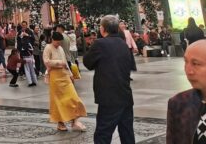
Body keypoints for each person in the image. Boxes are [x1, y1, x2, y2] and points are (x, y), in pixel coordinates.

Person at [83, 15, 136, 144]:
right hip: (125, 95)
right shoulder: (124, 45)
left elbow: (88, 63)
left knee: (103, 134)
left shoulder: (100, 44)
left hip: (109, 96)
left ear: (102, 29)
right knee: (127, 132)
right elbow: (131, 66)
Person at [43, 32, 87, 132]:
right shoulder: (48, 47)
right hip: (54, 76)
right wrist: (59, 63)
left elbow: (65, 62)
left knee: (73, 98)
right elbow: (46, 61)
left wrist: (70, 74)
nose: (58, 43)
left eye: (60, 42)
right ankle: (60, 122)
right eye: (57, 41)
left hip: (64, 75)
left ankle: (74, 120)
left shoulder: (61, 48)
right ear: (52, 39)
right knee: (58, 101)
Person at [16, 21, 37, 86]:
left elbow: (33, 39)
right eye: (22, 25)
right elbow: (18, 41)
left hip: (29, 51)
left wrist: (27, 35)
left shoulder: (30, 31)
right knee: (26, 67)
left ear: (27, 25)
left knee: (31, 67)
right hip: (23, 52)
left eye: (25, 25)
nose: (23, 26)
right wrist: (19, 51)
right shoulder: (19, 32)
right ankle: (30, 82)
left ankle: (34, 81)